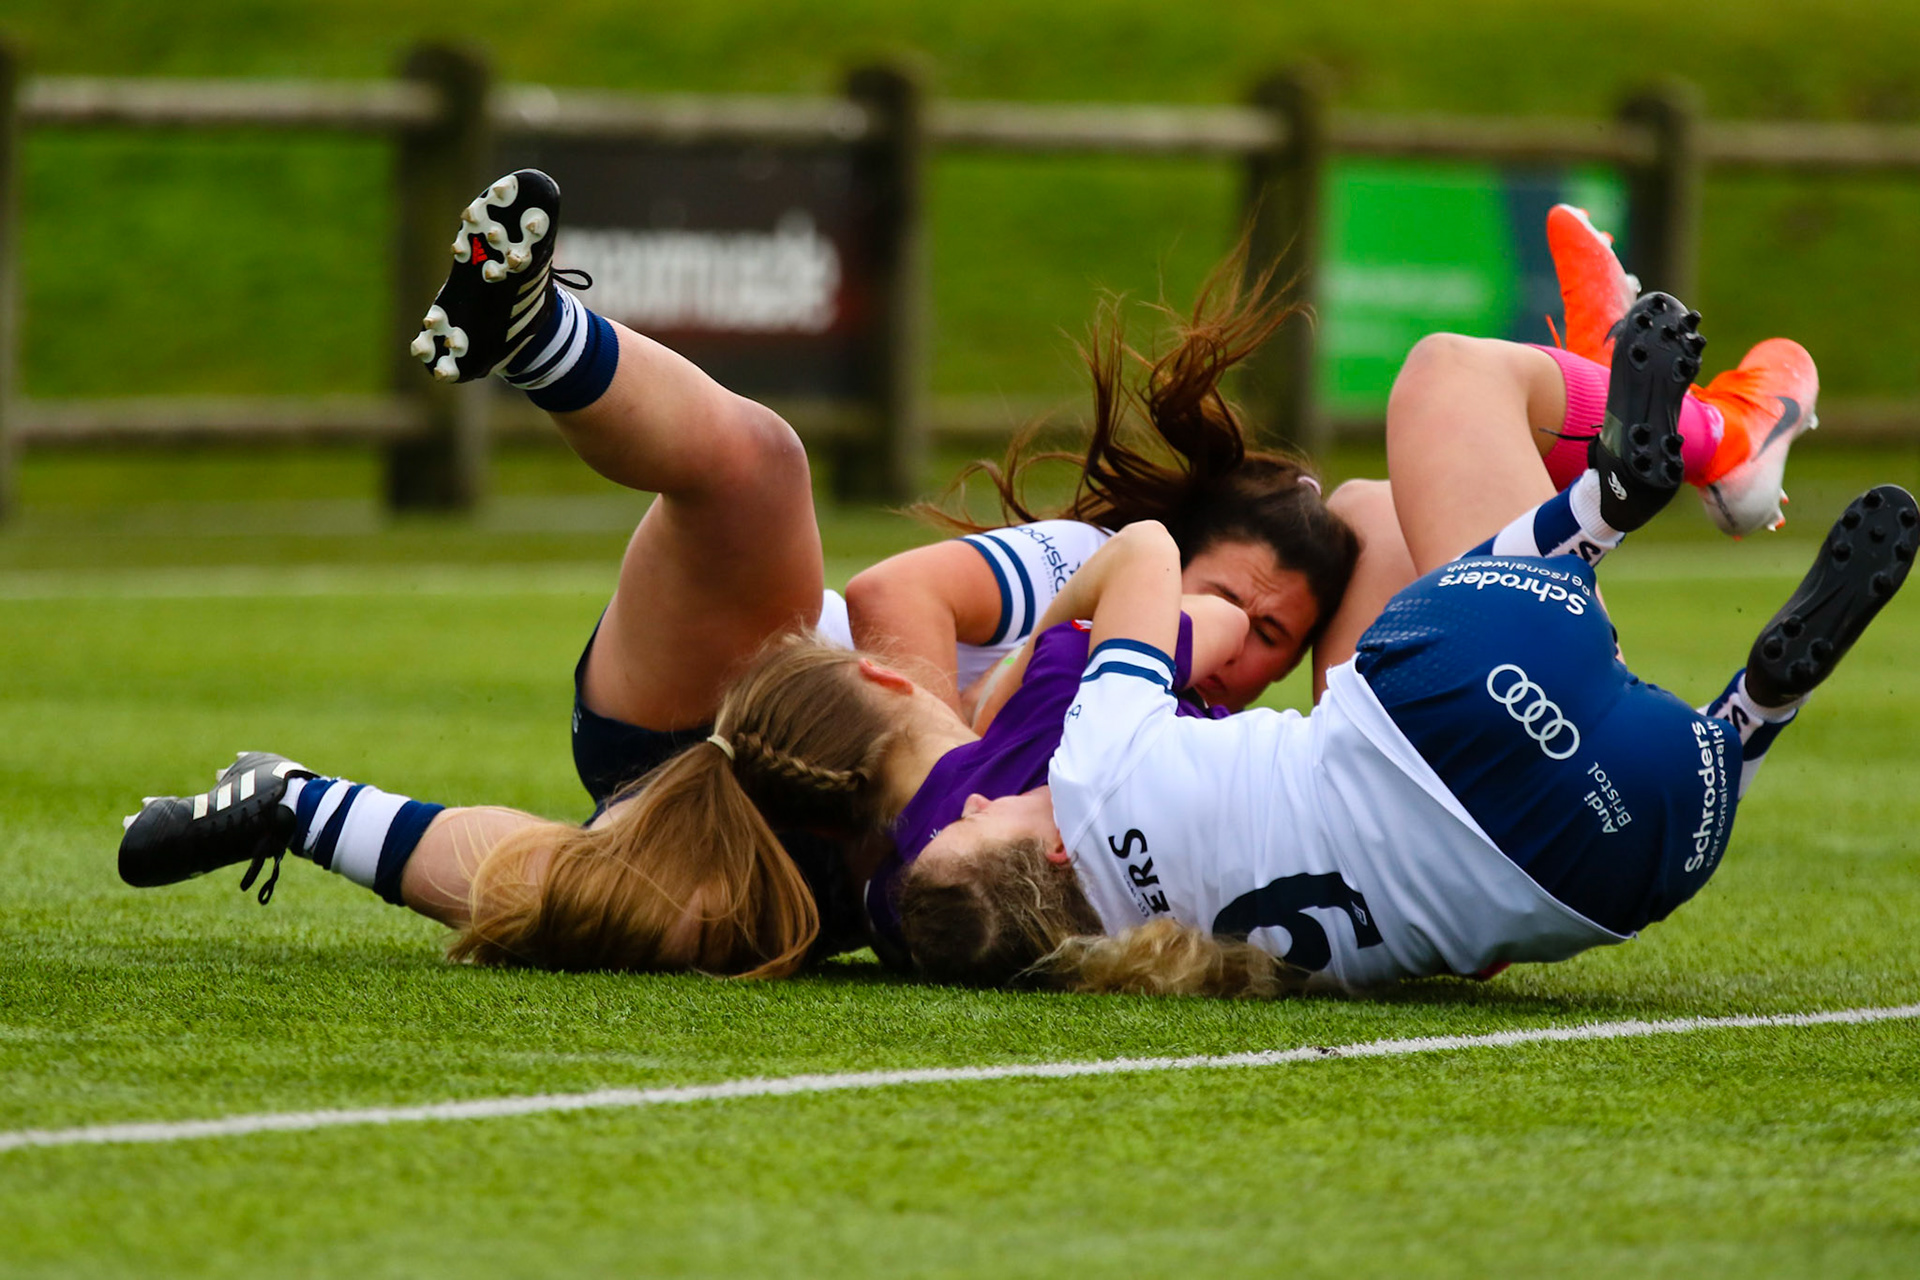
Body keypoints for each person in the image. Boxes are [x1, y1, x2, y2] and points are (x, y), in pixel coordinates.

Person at [113, 168, 1359, 977]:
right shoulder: (1099, 575)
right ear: (1185, 550)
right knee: (761, 467)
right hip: (767, 694)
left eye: (1278, 639)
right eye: (1237, 599)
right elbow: (895, 597)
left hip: (813, 864)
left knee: (641, 914)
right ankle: (536, 333)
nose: (1245, 647)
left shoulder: (1198, 760)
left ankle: (291, 803)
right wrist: (945, 766)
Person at [889, 292, 1914, 993]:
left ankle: (1758, 705)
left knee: (1703, 770)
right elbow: (1148, 550)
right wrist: (1028, 655)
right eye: (976, 822)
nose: (974, 801)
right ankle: (1658, 473)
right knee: (1443, 375)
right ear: (1051, 849)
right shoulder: (1090, 771)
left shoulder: (1173, 961)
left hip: (1592, 872)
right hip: (1458, 704)